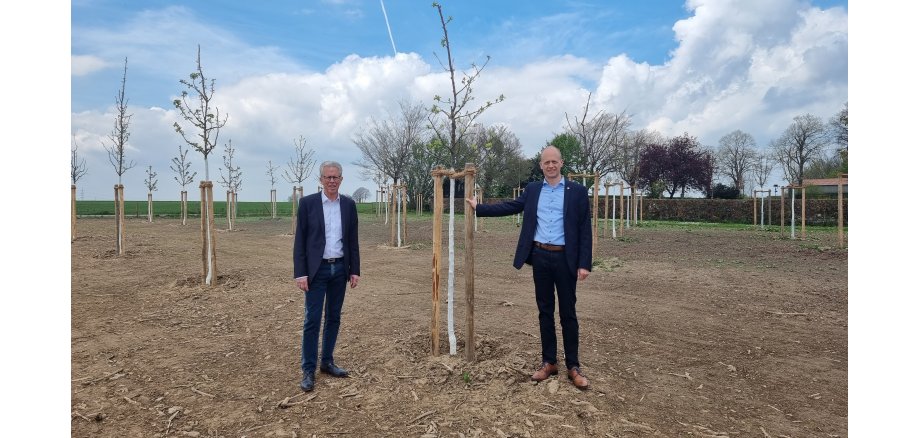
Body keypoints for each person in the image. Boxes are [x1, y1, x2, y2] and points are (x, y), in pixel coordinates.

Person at [466, 145, 592, 389]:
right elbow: (511, 206)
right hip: (541, 257)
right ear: (541, 165)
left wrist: (584, 263)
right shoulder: (533, 190)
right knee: (544, 311)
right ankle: (549, 362)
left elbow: (584, 229)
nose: (551, 165)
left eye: (555, 161)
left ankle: (573, 366)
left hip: (566, 259)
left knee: (568, 313)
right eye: (546, 162)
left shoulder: (577, 191)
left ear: (562, 163)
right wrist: (479, 207)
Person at [293, 161, 360, 392]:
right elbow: (300, 241)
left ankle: (327, 362)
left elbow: (352, 240)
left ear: (341, 179)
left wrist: (354, 270)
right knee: (312, 320)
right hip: (316, 271)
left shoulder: (349, 205)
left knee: (333, 317)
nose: (332, 181)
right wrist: (300, 273)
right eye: (327, 177)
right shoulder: (308, 204)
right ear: (320, 179)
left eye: (336, 177)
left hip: (339, 269)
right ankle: (308, 369)